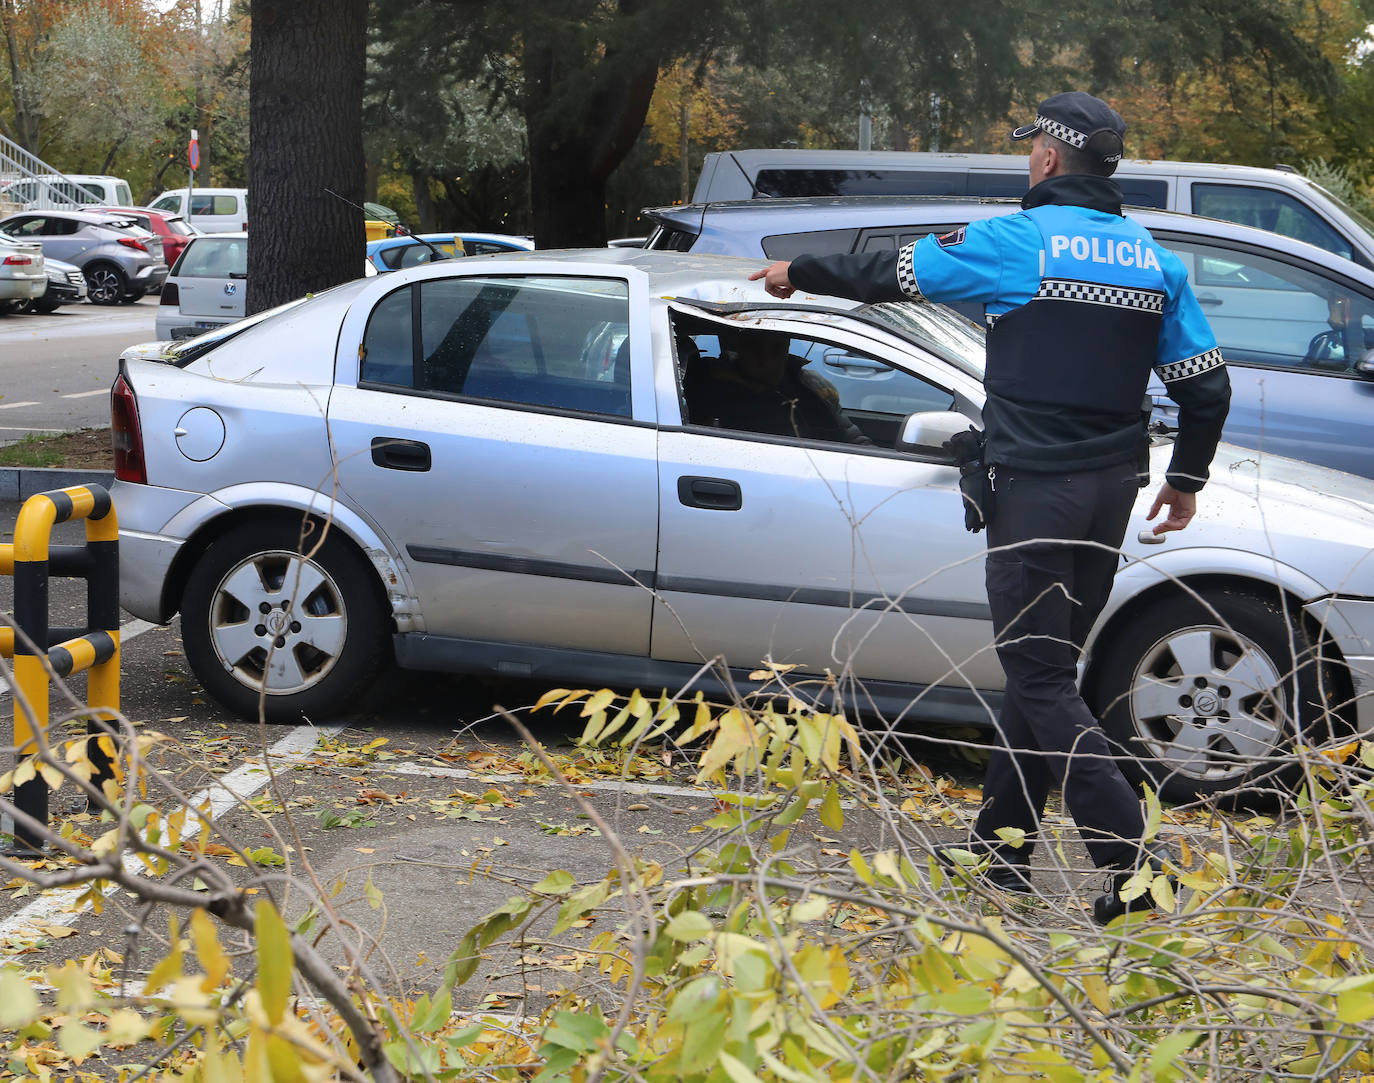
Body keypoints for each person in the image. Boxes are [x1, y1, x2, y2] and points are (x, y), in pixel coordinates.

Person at [750, 91, 1231, 923]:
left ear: (1047, 157)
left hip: (1037, 490)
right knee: (1044, 670)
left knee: (1038, 673)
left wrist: (800, 271)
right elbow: (1207, 389)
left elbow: (895, 273)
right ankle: (1000, 848)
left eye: (1030, 146)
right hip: (1110, 491)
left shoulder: (1017, 242)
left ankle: (1135, 868)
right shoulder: (1154, 260)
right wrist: (1185, 479)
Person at [684, 327, 873, 445]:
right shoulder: (711, 391)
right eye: (755, 349)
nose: (766, 361)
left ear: (787, 347)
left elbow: (852, 438)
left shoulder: (812, 385)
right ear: (740, 348)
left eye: (777, 348)